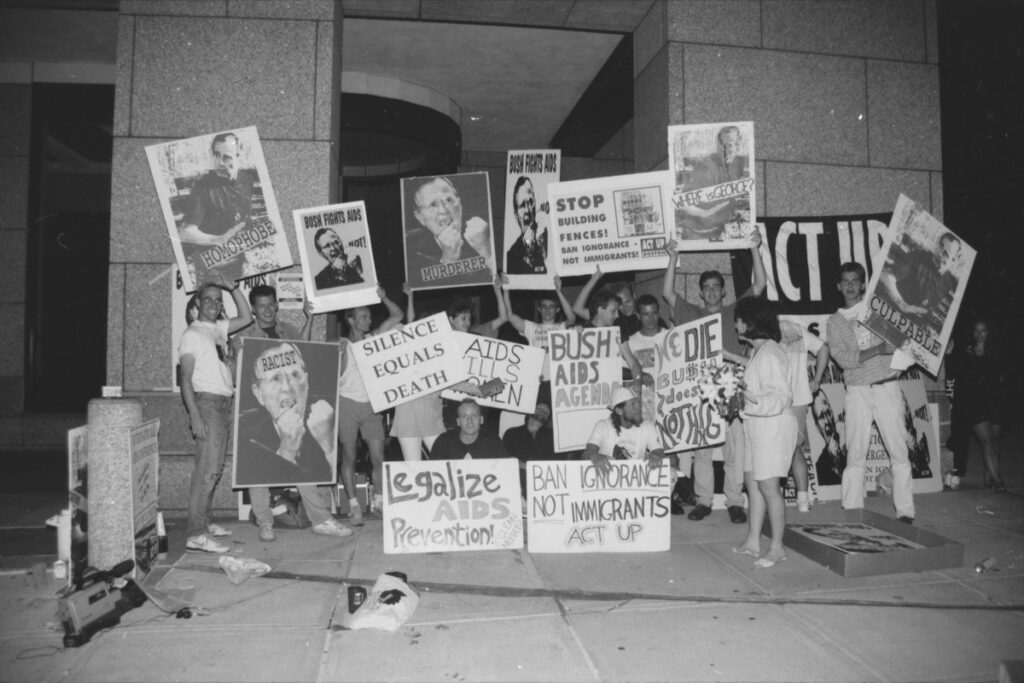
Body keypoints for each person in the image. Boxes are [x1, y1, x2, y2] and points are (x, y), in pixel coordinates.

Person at [233, 285, 351, 541]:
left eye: (271, 304)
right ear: (253, 309)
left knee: (306, 461)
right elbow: (237, 375)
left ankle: (321, 519)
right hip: (261, 419)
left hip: (294, 417)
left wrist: (316, 328)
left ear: (276, 305)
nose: (267, 310)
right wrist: (235, 353)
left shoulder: (288, 330)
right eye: (261, 305)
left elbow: (305, 348)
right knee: (255, 470)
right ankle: (265, 521)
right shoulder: (245, 336)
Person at [662, 233, 766, 524]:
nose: (711, 291)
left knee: (735, 449)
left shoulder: (735, 311)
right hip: (700, 389)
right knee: (703, 451)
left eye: (716, 287)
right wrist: (672, 258)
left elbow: (759, 285)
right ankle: (704, 500)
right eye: (706, 287)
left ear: (723, 292)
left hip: (731, 385)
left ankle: (734, 501)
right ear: (700, 292)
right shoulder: (690, 313)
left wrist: (755, 249)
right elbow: (668, 293)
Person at [826, 262, 915, 524]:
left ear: (864, 284)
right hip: (857, 391)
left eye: (856, 280)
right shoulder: (835, 321)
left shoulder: (880, 310)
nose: (851, 285)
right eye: (846, 281)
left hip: (887, 386)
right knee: (855, 452)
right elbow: (842, 359)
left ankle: (906, 511)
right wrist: (876, 350)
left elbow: (908, 337)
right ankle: (853, 509)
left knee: (899, 451)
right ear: (839, 286)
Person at [392, 277, 507, 460]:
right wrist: (398, 330)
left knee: (447, 463)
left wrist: (496, 386)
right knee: (413, 469)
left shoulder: (442, 360)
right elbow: (400, 329)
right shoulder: (403, 352)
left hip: (432, 420)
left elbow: (465, 386)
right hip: (406, 419)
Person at [178, 271, 252, 554]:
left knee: (213, 469)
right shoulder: (192, 334)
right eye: (207, 299)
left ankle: (205, 523)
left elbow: (246, 317)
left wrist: (231, 288)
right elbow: (185, 378)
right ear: (198, 304)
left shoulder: (217, 330)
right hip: (207, 404)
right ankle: (195, 533)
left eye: (217, 301)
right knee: (207, 472)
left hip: (222, 403)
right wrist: (194, 414)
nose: (213, 303)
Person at [730, 297, 797, 568]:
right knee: (752, 483)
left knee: (769, 487)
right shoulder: (758, 351)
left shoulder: (770, 353)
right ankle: (753, 541)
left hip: (773, 426)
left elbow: (780, 397)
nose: (735, 324)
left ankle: (777, 547)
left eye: (738, 319)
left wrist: (748, 401)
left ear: (750, 322)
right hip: (756, 427)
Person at [337, 287, 404, 523]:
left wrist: (384, 297)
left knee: (378, 456)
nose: (368, 320)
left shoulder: (372, 339)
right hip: (347, 404)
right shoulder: (341, 344)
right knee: (349, 456)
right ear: (351, 320)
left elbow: (397, 316)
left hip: (372, 405)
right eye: (363, 317)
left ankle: (378, 502)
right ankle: (354, 505)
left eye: (368, 316)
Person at [236, 342, 334, 485]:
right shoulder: (246, 439)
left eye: (294, 375)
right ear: (258, 393)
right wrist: (286, 452)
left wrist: (329, 446)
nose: (287, 387)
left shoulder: (331, 418)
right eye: (275, 378)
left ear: (306, 382)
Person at [946, 318, 1006, 491]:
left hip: (994, 402)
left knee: (994, 443)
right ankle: (998, 481)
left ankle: (988, 478)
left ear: (989, 332)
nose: (979, 334)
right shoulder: (966, 352)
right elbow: (956, 372)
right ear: (972, 333)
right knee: (987, 441)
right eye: (976, 331)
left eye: (983, 330)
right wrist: (950, 354)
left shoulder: (996, 351)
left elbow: (1002, 377)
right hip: (974, 403)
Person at [778, 319, 831, 513]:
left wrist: (816, 381)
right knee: (794, 449)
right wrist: (815, 380)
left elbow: (824, 348)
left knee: (778, 451)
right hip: (798, 399)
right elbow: (824, 348)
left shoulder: (761, 330)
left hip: (775, 400)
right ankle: (802, 501)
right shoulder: (796, 328)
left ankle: (777, 503)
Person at [406, 176, 493, 283]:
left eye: (449, 200)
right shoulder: (410, 251)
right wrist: (448, 259)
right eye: (433, 205)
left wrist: (486, 250)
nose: (443, 210)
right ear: (420, 217)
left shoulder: (485, 232)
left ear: (460, 204)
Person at [179, 132, 256, 246]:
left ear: (238, 156)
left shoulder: (247, 179)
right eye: (217, 155)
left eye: (227, 157)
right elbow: (185, 232)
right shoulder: (203, 187)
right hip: (214, 255)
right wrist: (217, 240)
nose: (220, 162)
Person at [676, 124, 751, 239]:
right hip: (697, 234)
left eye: (736, 144)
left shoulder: (734, 166)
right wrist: (706, 213)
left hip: (718, 231)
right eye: (729, 144)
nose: (733, 149)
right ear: (720, 146)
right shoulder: (705, 167)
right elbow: (683, 203)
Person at [879, 232, 962, 331]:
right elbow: (886, 276)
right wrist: (902, 304)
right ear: (936, 244)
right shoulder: (918, 257)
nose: (940, 253)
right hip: (895, 315)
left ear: (953, 261)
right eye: (940, 246)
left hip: (918, 328)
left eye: (946, 254)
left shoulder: (949, 282)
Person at [502, 274, 575, 384]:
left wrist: (559, 292)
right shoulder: (531, 327)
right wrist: (506, 289)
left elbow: (572, 318)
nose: (547, 309)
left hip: (558, 381)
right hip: (536, 380)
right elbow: (510, 316)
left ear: (557, 310)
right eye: (544, 306)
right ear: (539, 309)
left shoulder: (561, 328)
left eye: (551, 306)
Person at [583, 387, 665, 474]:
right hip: (608, 482)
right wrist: (594, 456)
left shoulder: (648, 426)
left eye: (638, 402)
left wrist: (656, 455)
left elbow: (658, 451)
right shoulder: (603, 426)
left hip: (636, 482)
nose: (638, 407)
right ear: (619, 411)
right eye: (633, 404)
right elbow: (587, 453)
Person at [572, 267, 644, 339]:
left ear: (634, 296)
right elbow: (577, 309)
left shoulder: (649, 314)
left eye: (628, 301)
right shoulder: (614, 318)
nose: (625, 307)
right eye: (620, 304)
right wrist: (594, 279)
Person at [502, 399, 556, 493]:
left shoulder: (552, 438)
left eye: (546, 412)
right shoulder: (511, 434)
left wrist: (523, 465)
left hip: (544, 487)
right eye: (539, 408)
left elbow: (555, 466)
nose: (542, 413)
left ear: (547, 419)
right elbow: (505, 461)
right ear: (530, 412)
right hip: (515, 485)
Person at [429, 399, 509, 460]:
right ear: (458, 421)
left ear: (481, 420)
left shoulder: (493, 442)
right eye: (464, 416)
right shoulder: (443, 442)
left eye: (474, 416)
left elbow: (506, 471)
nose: (469, 420)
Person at [505, 176, 549, 274]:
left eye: (530, 202)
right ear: (516, 217)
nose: (528, 209)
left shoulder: (547, 241)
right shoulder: (511, 256)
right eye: (522, 205)